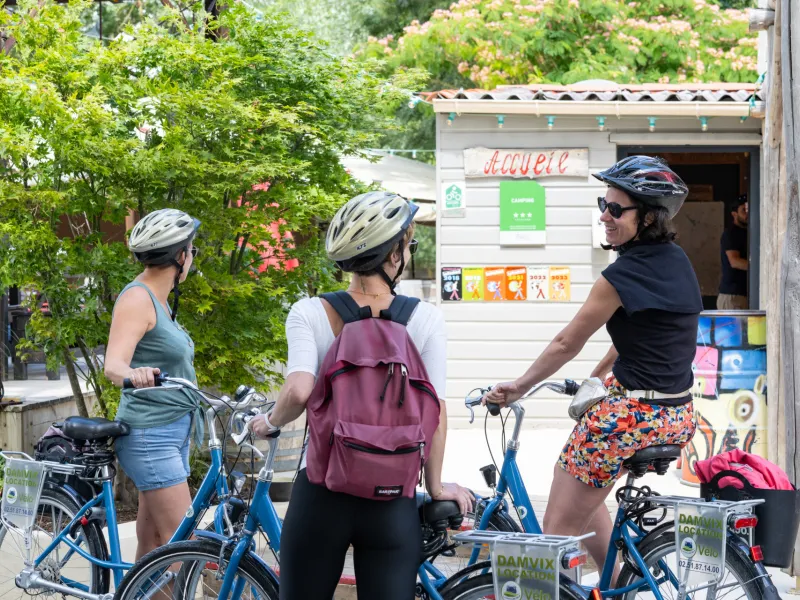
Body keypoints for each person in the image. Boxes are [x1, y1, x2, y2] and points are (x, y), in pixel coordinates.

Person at [483, 156, 700, 579]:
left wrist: (519, 386)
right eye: (604, 203)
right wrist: (599, 377)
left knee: (556, 530)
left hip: (629, 419)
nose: (605, 215)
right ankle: (618, 578)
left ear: (649, 217)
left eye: (616, 209)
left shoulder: (621, 276)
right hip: (678, 414)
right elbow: (640, 338)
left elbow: (567, 342)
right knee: (585, 488)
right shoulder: (677, 263)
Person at [252, 191, 474, 600]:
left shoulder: (310, 312)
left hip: (322, 493)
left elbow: (298, 390)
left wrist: (267, 423)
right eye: (409, 246)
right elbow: (436, 411)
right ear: (393, 257)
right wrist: (437, 486)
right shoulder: (425, 319)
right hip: (392, 498)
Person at [104, 208, 201, 560]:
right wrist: (134, 374)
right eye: (193, 251)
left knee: (155, 546)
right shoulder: (137, 298)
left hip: (170, 431)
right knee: (185, 552)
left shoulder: (158, 301)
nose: (193, 258)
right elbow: (113, 364)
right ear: (180, 256)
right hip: (150, 437)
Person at [718, 194, 749, 310]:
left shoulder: (748, 233)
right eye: (743, 210)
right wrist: (760, 269)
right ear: (734, 214)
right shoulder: (731, 234)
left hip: (744, 293)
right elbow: (734, 261)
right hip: (732, 296)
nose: (747, 214)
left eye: (748, 209)